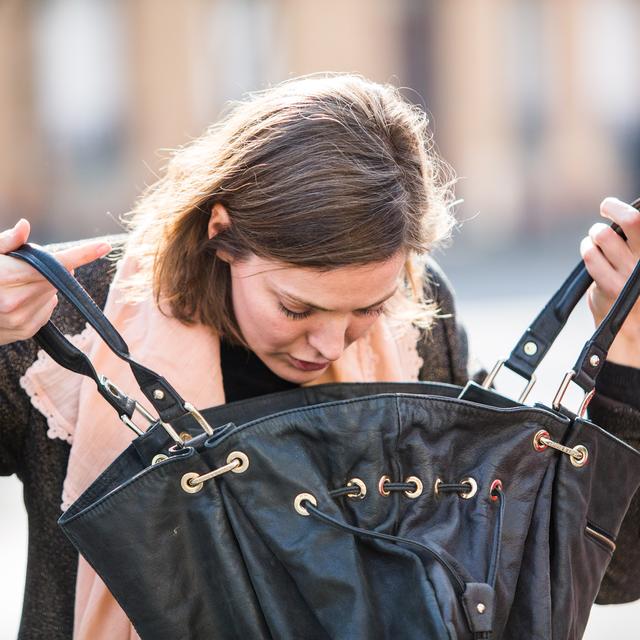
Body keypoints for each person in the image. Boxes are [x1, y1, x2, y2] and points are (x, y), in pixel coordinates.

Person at [0, 73, 639, 639]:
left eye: (366, 308)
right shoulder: (63, 324)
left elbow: (604, 574)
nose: (332, 346)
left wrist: (631, 356)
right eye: (297, 309)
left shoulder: (415, 319)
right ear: (220, 234)